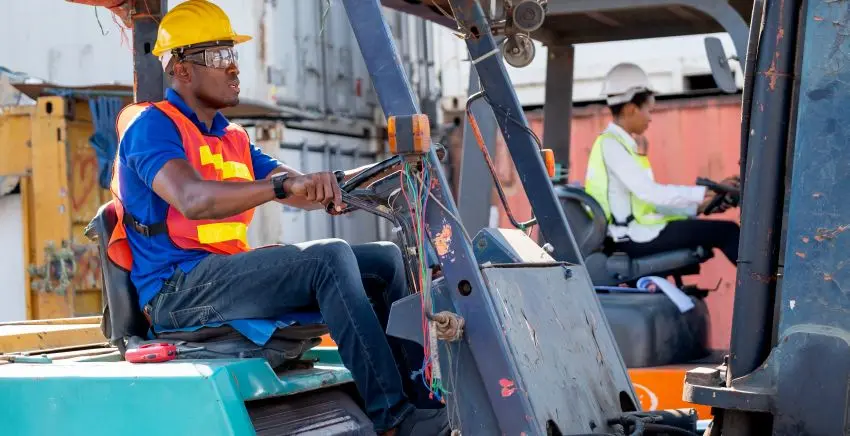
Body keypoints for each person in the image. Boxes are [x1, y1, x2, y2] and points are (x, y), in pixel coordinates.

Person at [105, 2, 449, 435]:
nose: (233, 69)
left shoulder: (232, 137)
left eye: (233, 56)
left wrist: (347, 183)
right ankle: (393, 418)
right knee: (329, 258)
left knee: (383, 260)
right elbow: (193, 199)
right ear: (181, 69)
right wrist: (282, 188)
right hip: (178, 290)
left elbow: (295, 184)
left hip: (221, 277)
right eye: (218, 57)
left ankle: (422, 402)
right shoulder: (152, 128)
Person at [584, 63, 740, 266]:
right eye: (648, 111)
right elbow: (651, 193)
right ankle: (771, 292)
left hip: (636, 231)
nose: (650, 118)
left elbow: (647, 204)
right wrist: (704, 193)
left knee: (721, 230)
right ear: (631, 108)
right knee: (727, 232)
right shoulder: (612, 146)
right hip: (629, 237)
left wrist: (698, 207)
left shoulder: (621, 145)